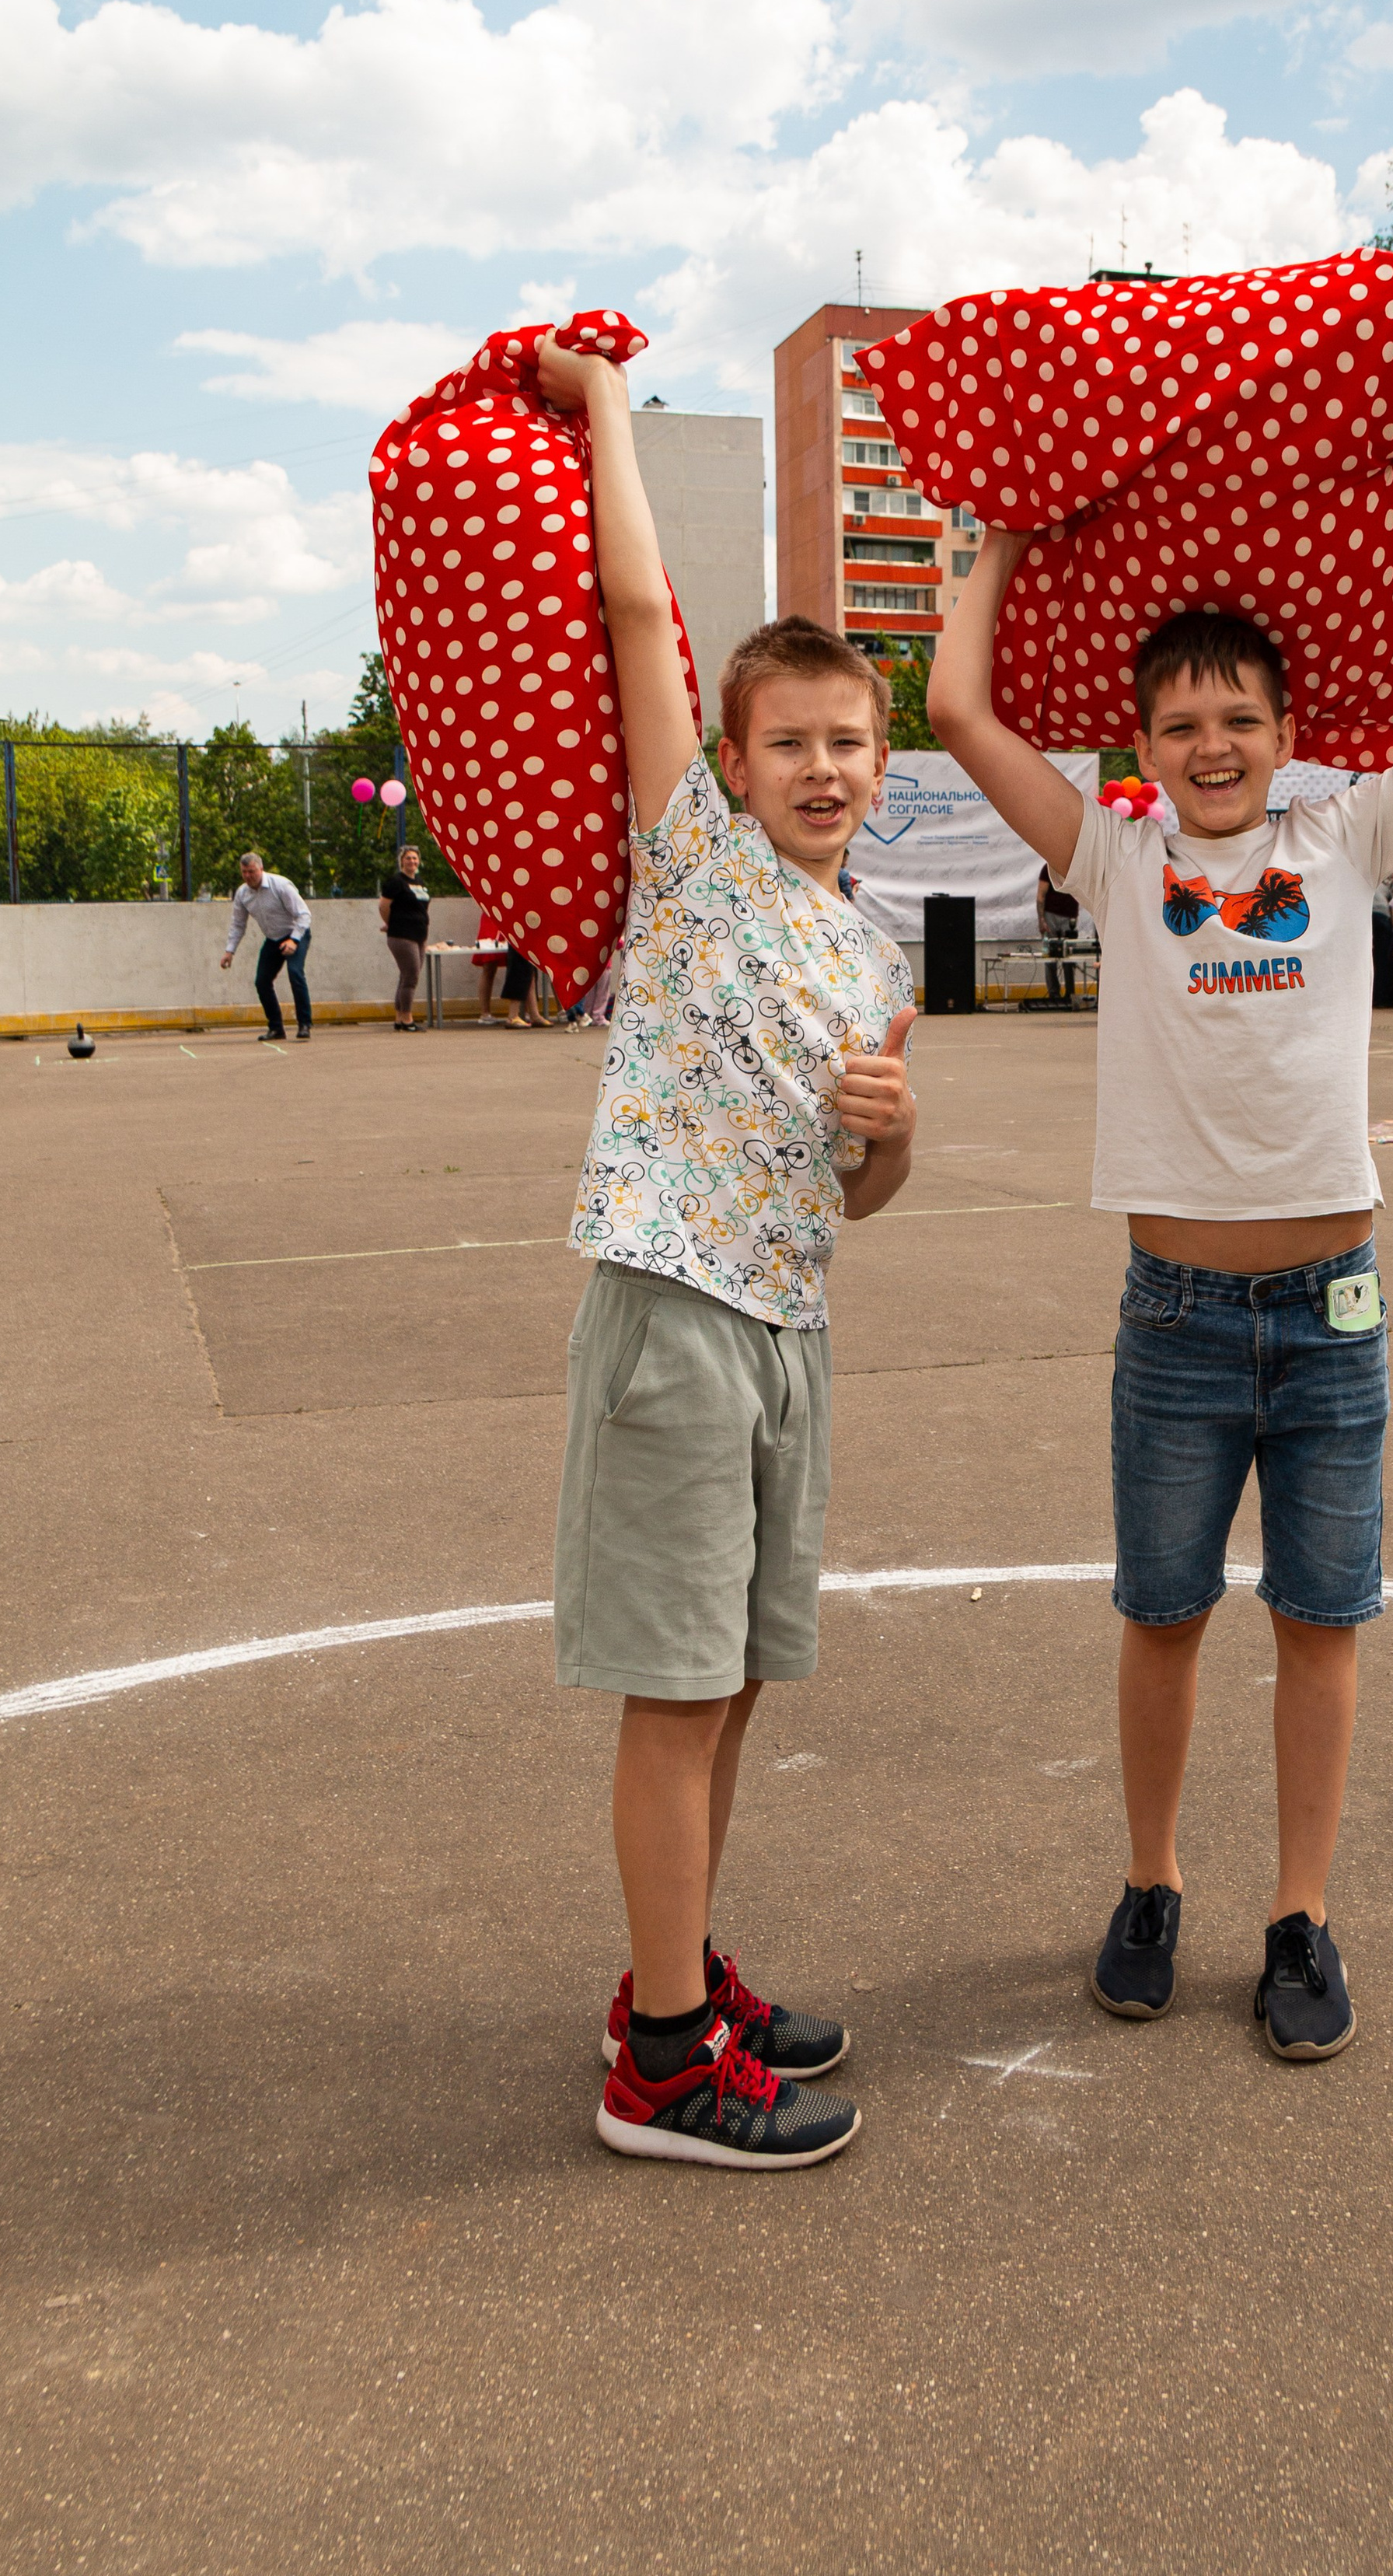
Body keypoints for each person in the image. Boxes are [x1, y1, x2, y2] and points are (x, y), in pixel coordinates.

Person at [929, 411, 1393, 2063]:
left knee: (1319, 1620)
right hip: (1177, 1321)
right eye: (1177, 723)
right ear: (1136, 743)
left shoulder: (1343, 834)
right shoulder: (1112, 853)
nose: (1208, 747)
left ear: (1288, 730)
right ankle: (1149, 1883)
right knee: (1157, 1613)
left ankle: (1299, 1914)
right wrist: (998, 534)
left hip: (1331, 1315)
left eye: (1237, 719)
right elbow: (951, 708)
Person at [537, 328, 917, 2173]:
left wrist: (887, 1148)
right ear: (739, 763)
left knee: (735, 1669)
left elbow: (853, 1195)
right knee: (676, 1681)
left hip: (785, 1323)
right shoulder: (693, 864)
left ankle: (671, 1972)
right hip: (678, 1305)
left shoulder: (873, 956)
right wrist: (606, 408)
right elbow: (635, 618)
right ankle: (662, 2060)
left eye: (850, 741)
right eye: (791, 742)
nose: (822, 766)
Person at [220, 851, 312, 1043]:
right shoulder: (242, 893)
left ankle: (304, 1024)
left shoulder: (280, 885)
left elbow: (304, 915)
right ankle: (276, 1028)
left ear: (261, 869)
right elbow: (238, 924)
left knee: (295, 973)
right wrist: (230, 951)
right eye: (244, 872)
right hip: (273, 939)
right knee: (262, 981)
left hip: (297, 933)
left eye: (252, 871)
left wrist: (294, 940)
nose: (248, 876)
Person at [379, 844, 430, 1032]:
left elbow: (422, 907)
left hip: (419, 935)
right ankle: (408, 1018)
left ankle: (399, 1017)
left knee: (406, 976)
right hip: (401, 935)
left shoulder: (420, 881)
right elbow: (384, 906)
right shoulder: (396, 882)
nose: (412, 862)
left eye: (415, 858)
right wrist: (390, 923)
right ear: (402, 861)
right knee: (411, 976)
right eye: (408, 858)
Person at [1039, 862, 1082, 1002]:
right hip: (1052, 914)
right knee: (1051, 956)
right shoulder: (1048, 869)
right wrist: (1042, 920)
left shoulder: (1076, 868)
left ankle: (1070, 993)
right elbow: (1041, 895)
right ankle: (1054, 993)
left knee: (1068, 957)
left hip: (1069, 917)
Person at [498, 946, 548, 1029]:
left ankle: (534, 1014)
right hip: (519, 938)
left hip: (528, 938)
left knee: (531, 973)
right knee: (520, 970)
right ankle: (512, 1016)